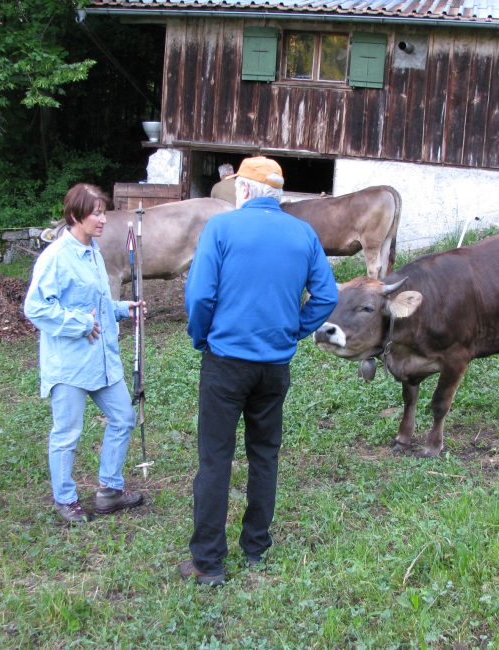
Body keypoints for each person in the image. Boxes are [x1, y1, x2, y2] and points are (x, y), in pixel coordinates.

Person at [182, 156, 338, 585]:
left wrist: (203, 337)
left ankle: (208, 563)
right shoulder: (303, 234)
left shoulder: (221, 229)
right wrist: (293, 330)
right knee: (264, 454)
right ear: (278, 194)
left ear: (245, 191)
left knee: (215, 458)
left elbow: (199, 297)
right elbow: (326, 298)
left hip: (226, 362)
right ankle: (255, 547)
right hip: (274, 365)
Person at [24, 183, 145, 524]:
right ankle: (65, 498)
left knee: (123, 417)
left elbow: (96, 302)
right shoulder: (55, 257)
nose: (104, 219)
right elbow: (35, 308)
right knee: (67, 433)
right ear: (76, 215)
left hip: (103, 361)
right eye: (96, 213)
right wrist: (77, 323)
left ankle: (109, 490)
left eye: (103, 212)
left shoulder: (93, 250)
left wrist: (123, 308)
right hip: (70, 364)